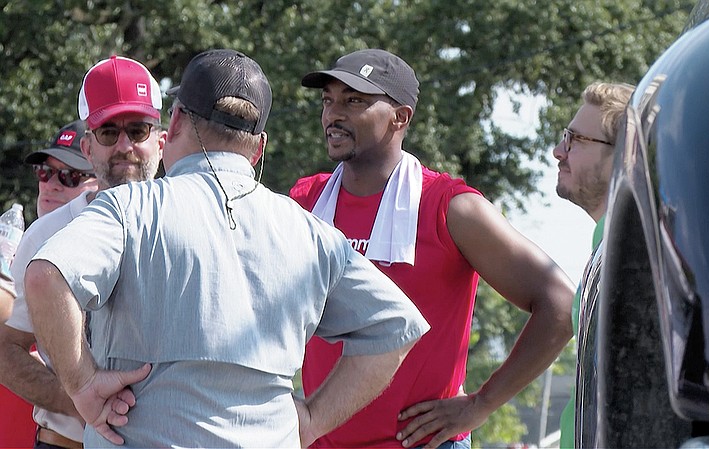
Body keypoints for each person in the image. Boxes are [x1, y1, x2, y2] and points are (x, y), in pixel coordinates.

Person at [23, 49, 429, 448]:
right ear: (259, 147)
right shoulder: (311, 233)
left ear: (176, 121)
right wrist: (311, 420)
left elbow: (46, 275)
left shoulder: (131, 208)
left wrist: (84, 385)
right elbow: (396, 326)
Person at [290, 48, 575, 448]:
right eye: (328, 100)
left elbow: (561, 305)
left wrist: (481, 404)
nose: (333, 114)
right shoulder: (305, 200)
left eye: (354, 100)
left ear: (400, 117)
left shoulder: (450, 207)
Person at [0, 55, 165, 449]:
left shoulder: (193, 222)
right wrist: (77, 398)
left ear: (160, 141)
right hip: (66, 442)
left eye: (137, 130)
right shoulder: (46, 234)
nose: (124, 146)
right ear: (88, 147)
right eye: (108, 132)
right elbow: (6, 349)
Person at [0, 119, 100, 449]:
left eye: (69, 175)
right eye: (45, 172)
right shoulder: (27, 240)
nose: (51, 185)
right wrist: (76, 399)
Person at [552, 81, 634, 449]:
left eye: (575, 141)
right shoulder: (610, 242)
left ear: (624, 154)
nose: (558, 151)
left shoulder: (634, 255)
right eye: (563, 137)